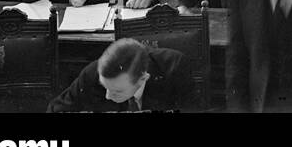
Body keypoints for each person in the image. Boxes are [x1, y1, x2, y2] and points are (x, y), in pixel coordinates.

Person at [49, 37, 193, 114]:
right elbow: (56, 109)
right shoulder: (92, 73)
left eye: (117, 91)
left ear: (143, 78)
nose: (108, 96)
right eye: (105, 87)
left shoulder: (174, 68)